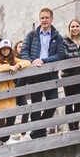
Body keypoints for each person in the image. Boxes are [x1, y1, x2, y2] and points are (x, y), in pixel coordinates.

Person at [19, 9, 68, 138]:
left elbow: (61, 54)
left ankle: (38, 129)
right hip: (35, 74)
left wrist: (44, 61)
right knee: (37, 104)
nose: (44, 20)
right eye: (42, 18)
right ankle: (37, 134)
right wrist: (32, 61)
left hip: (50, 74)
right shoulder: (31, 35)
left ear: (52, 19)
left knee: (53, 102)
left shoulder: (57, 37)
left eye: (47, 17)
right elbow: (24, 52)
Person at [0, 39, 30, 147]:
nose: (6, 51)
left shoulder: (13, 60)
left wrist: (17, 66)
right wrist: (8, 67)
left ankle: (4, 139)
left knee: (11, 117)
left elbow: (27, 62)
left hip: (9, 92)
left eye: (7, 49)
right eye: (3, 49)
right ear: (0, 50)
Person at [61, 19, 80, 129]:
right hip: (68, 74)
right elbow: (65, 55)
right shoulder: (64, 41)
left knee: (78, 101)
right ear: (69, 28)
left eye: (77, 26)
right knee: (69, 100)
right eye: (72, 27)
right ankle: (70, 126)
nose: (74, 29)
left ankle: (76, 125)